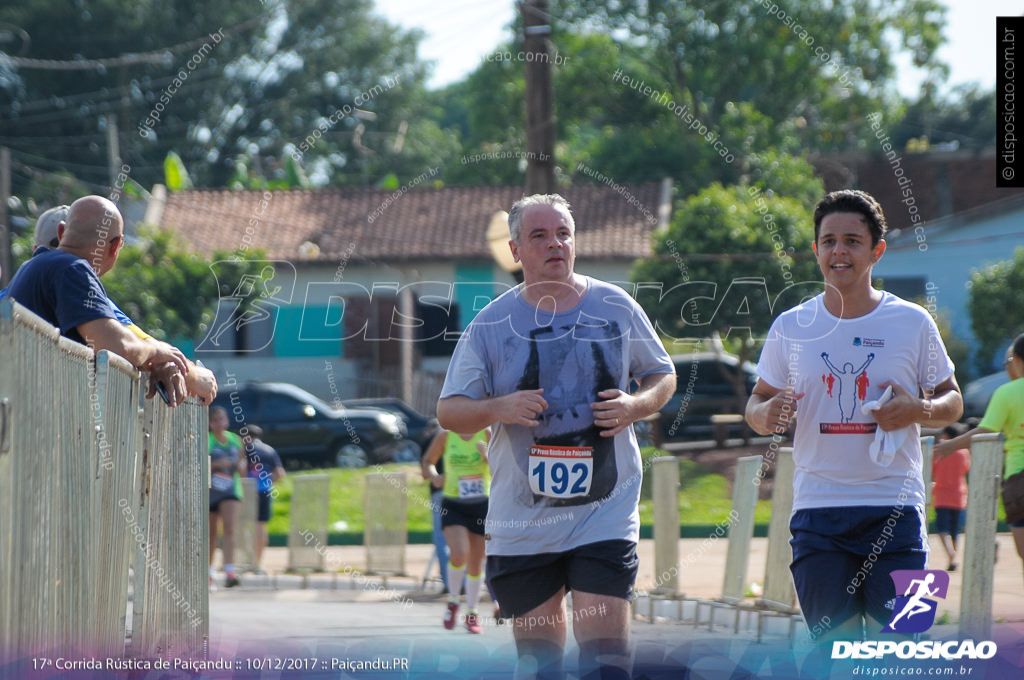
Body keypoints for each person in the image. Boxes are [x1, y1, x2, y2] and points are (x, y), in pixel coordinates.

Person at [437, 194, 676, 678]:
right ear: (515, 250)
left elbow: (662, 376)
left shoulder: (615, 306)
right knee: (541, 662)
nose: (555, 244)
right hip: (522, 524)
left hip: (603, 514)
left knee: (607, 652)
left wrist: (635, 406)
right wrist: (498, 407)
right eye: (539, 236)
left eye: (563, 233)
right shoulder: (490, 325)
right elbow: (449, 412)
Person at [745, 189, 962, 644]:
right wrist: (768, 415)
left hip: (898, 512)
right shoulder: (791, 326)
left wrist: (918, 410)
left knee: (902, 650)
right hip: (817, 516)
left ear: (876, 250)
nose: (838, 251)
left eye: (851, 241)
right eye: (828, 241)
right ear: (815, 250)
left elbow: (952, 401)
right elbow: (755, 405)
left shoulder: (913, 322)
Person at [23, 203, 218, 404]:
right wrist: (161, 355)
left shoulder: (26, 274)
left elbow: (126, 340)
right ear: (115, 245)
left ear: (62, 231)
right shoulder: (72, 270)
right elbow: (121, 344)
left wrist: (155, 359)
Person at [935, 333, 1024, 583]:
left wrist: (951, 445)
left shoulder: (1007, 393)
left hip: (1019, 479)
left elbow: (986, 430)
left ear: (1016, 359)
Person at [422, 426, 491, 633]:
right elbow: (427, 463)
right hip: (453, 504)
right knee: (459, 553)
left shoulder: (487, 434)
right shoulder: (445, 436)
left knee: (476, 563)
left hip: (481, 504)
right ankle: (453, 601)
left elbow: (504, 468)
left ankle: (472, 612)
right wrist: (434, 476)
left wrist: (486, 456)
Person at [209, 405, 246, 588]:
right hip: (210, 491)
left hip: (230, 489)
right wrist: (216, 464)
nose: (218, 423)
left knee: (229, 528)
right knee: (211, 532)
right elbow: (200, 463)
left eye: (221, 419)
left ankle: (230, 571)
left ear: (227, 421)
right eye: (215, 420)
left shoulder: (235, 440)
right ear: (209, 423)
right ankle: (209, 570)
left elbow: (242, 465)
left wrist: (239, 465)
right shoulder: (207, 440)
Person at [242, 424, 285, 573]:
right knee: (261, 526)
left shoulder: (244, 450)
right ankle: (258, 563)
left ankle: (246, 560)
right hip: (264, 491)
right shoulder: (269, 450)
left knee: (244, 526)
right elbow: (279, 473)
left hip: (247, 491)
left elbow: (240, 470)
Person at [931, 424, 970, 571]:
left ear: (946, 436)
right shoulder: (963, 452)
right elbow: (966, 469)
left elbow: (932, 470)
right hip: (959, 494)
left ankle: (951, 554)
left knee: (942, 529)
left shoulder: (939, 451)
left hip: (941, 494)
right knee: (955, 530)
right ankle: (953, 555)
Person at [419, 418, 450, 593]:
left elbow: (425, 472)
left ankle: (449, 582)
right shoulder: (468, 435)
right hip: (468, 494)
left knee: (441, 539)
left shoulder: (428, 441)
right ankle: (465, 581)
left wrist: (436, 477)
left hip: (439, 493)